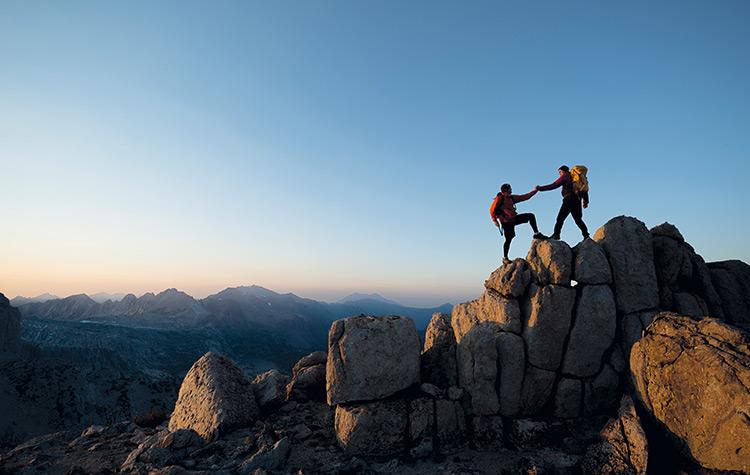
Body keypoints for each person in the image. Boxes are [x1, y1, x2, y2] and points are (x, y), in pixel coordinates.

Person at [490, 183, 547, 264]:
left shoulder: (511, 198)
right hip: (506, 222)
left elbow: (525, 197)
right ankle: (505, 258)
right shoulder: (499, 199)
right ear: (505, 191)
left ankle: (536, 233)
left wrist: (535, 191)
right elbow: (491, 210)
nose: (511, 190)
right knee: (509, 238)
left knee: (531, 216)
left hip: (513, 218)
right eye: (510, 189)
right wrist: (495, 221)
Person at [535, 165, 589, 240]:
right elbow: (584, 190)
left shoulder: (565, 176)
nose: (559, 174)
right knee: (578, 219)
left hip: (568, 200)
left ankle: (556, 235)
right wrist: (585, 201)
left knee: (560, 218)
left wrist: (540, 188)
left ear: (563, 171)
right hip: (577, 200)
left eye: (560, 172)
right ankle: (586, 235)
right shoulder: (575, 178)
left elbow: (554, 185)